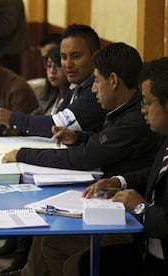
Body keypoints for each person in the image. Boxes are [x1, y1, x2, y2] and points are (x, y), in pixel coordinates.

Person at [13, 42, 161, 276]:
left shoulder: (135, 121)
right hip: (118, 203)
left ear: (112, 80)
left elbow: (85, 157)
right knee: (46, 237)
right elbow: (106, 143)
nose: (93, 90)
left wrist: (22, 154)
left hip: (130, 224)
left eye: (96, 82)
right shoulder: (122, 113)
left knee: (60, 249)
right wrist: (81, 139)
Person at [76, 57, 168, 276]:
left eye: (147, 102)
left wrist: (140, 207)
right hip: (147, 248)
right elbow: (154, 175)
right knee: (84, 262)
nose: (142, 109)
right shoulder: (165, 139)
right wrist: (120, 182)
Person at [0, 45, 70, 275]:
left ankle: (22, 250)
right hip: (40, 156)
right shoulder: (51, 97)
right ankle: (17, 240)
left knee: (26, 188)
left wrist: (15, 121)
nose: (53, 71)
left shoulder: (72, 101)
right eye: (49, 66)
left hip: (55, 161)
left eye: (58, 64)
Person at [0, 24, 106, 138]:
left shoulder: (96, 90)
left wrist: (12, 119)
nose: (68, 64)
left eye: (76, 56)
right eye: (64, 57)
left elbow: (56, 125)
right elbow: (55, 119)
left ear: (94, 57)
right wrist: (19, 129)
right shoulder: (75, 85)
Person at [0, 0, 29, 76]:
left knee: (9, 84)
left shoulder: (11, 2)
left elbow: (4, 27)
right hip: (5, 52)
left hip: (7, 54)